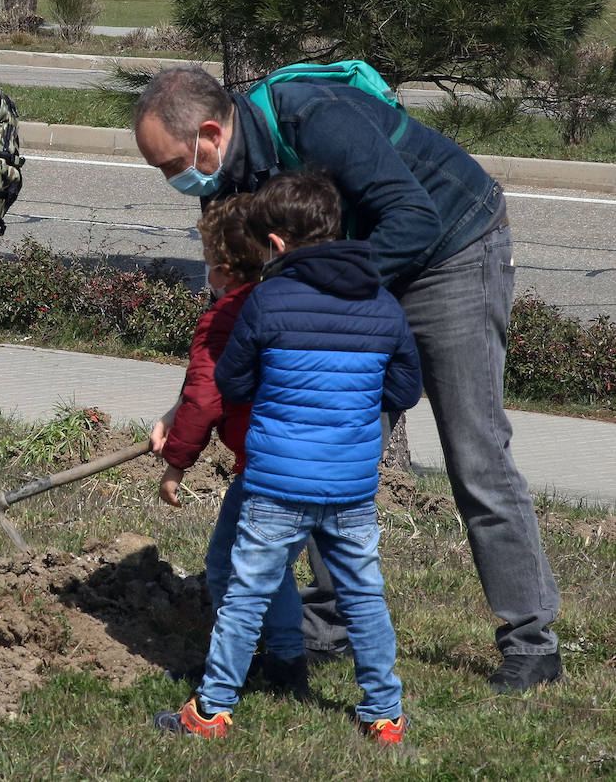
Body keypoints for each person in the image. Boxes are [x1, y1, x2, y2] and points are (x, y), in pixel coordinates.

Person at [133, 64, 564, 694]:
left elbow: (412, 220)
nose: (174, 179)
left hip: (451, 251)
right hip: (358, 276)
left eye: (172, 165)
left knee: (475, 453)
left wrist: (318, 292)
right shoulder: (227, 179)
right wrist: (188, 400)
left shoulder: (314, 119)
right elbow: (241, 301)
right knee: (320, 449)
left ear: (208, 133)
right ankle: (332, 622)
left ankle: (532, 643)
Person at [153, 171, 422, 744]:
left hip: (275, 483)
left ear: (275, 244)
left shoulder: (268, 300)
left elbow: (235, 380)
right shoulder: (381, 302)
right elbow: (403, 389)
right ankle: (385, 715)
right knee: (363, 596)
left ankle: (212, 710)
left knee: (246, 592)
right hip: (351, 485)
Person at [149, 194, 305, 696]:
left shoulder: (225, 316)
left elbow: (204, 394)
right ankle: (286, 667)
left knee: (226, 563)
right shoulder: (295, 298)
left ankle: (237, 665)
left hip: (263, 465)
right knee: (273, 564)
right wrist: (174, 414)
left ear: (220, 269)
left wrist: (175, 465)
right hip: (325, 460)